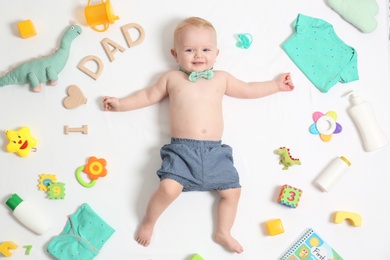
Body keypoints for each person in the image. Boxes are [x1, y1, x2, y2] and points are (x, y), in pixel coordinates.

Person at [102, 16, 294, 254]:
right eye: (189, 50)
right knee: (168, 189)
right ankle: (149, 221)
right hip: (182, 151)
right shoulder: (171, 79)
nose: (198, 55)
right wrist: (121, 103)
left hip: (215, 152)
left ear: (216, 53)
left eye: (205, 49)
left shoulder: (222, 78)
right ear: (175, 55)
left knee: (233, 192)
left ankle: (223, 232)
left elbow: (247, 89)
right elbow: (147, 96)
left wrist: (275, 86)